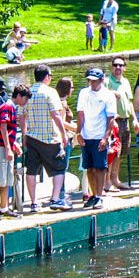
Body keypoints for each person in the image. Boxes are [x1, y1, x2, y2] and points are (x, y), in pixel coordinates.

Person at [20, 65, 70, 212]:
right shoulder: (50, 92)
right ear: (47, 77)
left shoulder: (27, 92)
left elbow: (21, 117)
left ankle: (34, 203)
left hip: (32, 137)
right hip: (49, 138)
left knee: (31, 170)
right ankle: (55, 199)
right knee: (59, 168)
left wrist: (24, 135)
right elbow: (55, 115)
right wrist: (63, 134)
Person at [0, 84, 30, 223]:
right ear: (19, 96)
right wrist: (8, 148)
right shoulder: (7, 107)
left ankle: (4, 208)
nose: (25, 102)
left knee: (7, 179)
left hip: (5, 147)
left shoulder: (12, 108)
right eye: (25, 99)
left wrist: (13, 144)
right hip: (0, 147)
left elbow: (9, 130)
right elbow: (3, 127)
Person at [76, 67, 117, 210]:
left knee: (100, 168)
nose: (92, 84)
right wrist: (78, 133)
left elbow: (110, 118)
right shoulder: (83, 93)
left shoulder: (108, 95)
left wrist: (106, 138)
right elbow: (80, 114)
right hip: (86, 136)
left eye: (94, 81)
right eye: (90, 81)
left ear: (101, 80)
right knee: (89, 168)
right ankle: (94, 195)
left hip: (100, 136)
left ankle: (99, 196)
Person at [105, 56, 136, 191]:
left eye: (120, 65)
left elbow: (129, 102)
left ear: (124, 67)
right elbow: (101, 94)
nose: (118, 68)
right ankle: (107, 182)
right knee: (112, 152)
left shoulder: (126, 82)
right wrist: (112, 92)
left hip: (125, 120)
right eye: (115, 65)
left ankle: (115, 179)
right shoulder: (107, 81)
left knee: (121, 152)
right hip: (113, 122)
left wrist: (134, 118)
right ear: (112, 67)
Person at [55, 77, 77, 205]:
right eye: (72, 87)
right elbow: (61, 122)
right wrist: (76, 127)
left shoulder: (62, 102)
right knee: (63, 167)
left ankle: (61, 192)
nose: (73, 89)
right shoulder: (61, 104)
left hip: (67, 136)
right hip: (65, 138)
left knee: (63, 167)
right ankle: (61, 193)